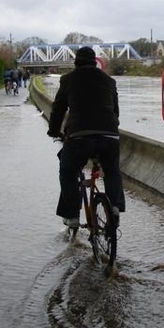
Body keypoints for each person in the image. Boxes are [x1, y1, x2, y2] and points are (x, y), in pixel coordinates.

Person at [47, 46, 125, 229]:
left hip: (79, 137)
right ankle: (114, 205)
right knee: (112, 170)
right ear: (95, 61)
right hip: (109, 136)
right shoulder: (109, 81)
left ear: (76, 62)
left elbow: (58, 109)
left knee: (68, 171)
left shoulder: (68, 80)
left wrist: (53, 130)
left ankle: (72, 216)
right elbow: (116, 112)